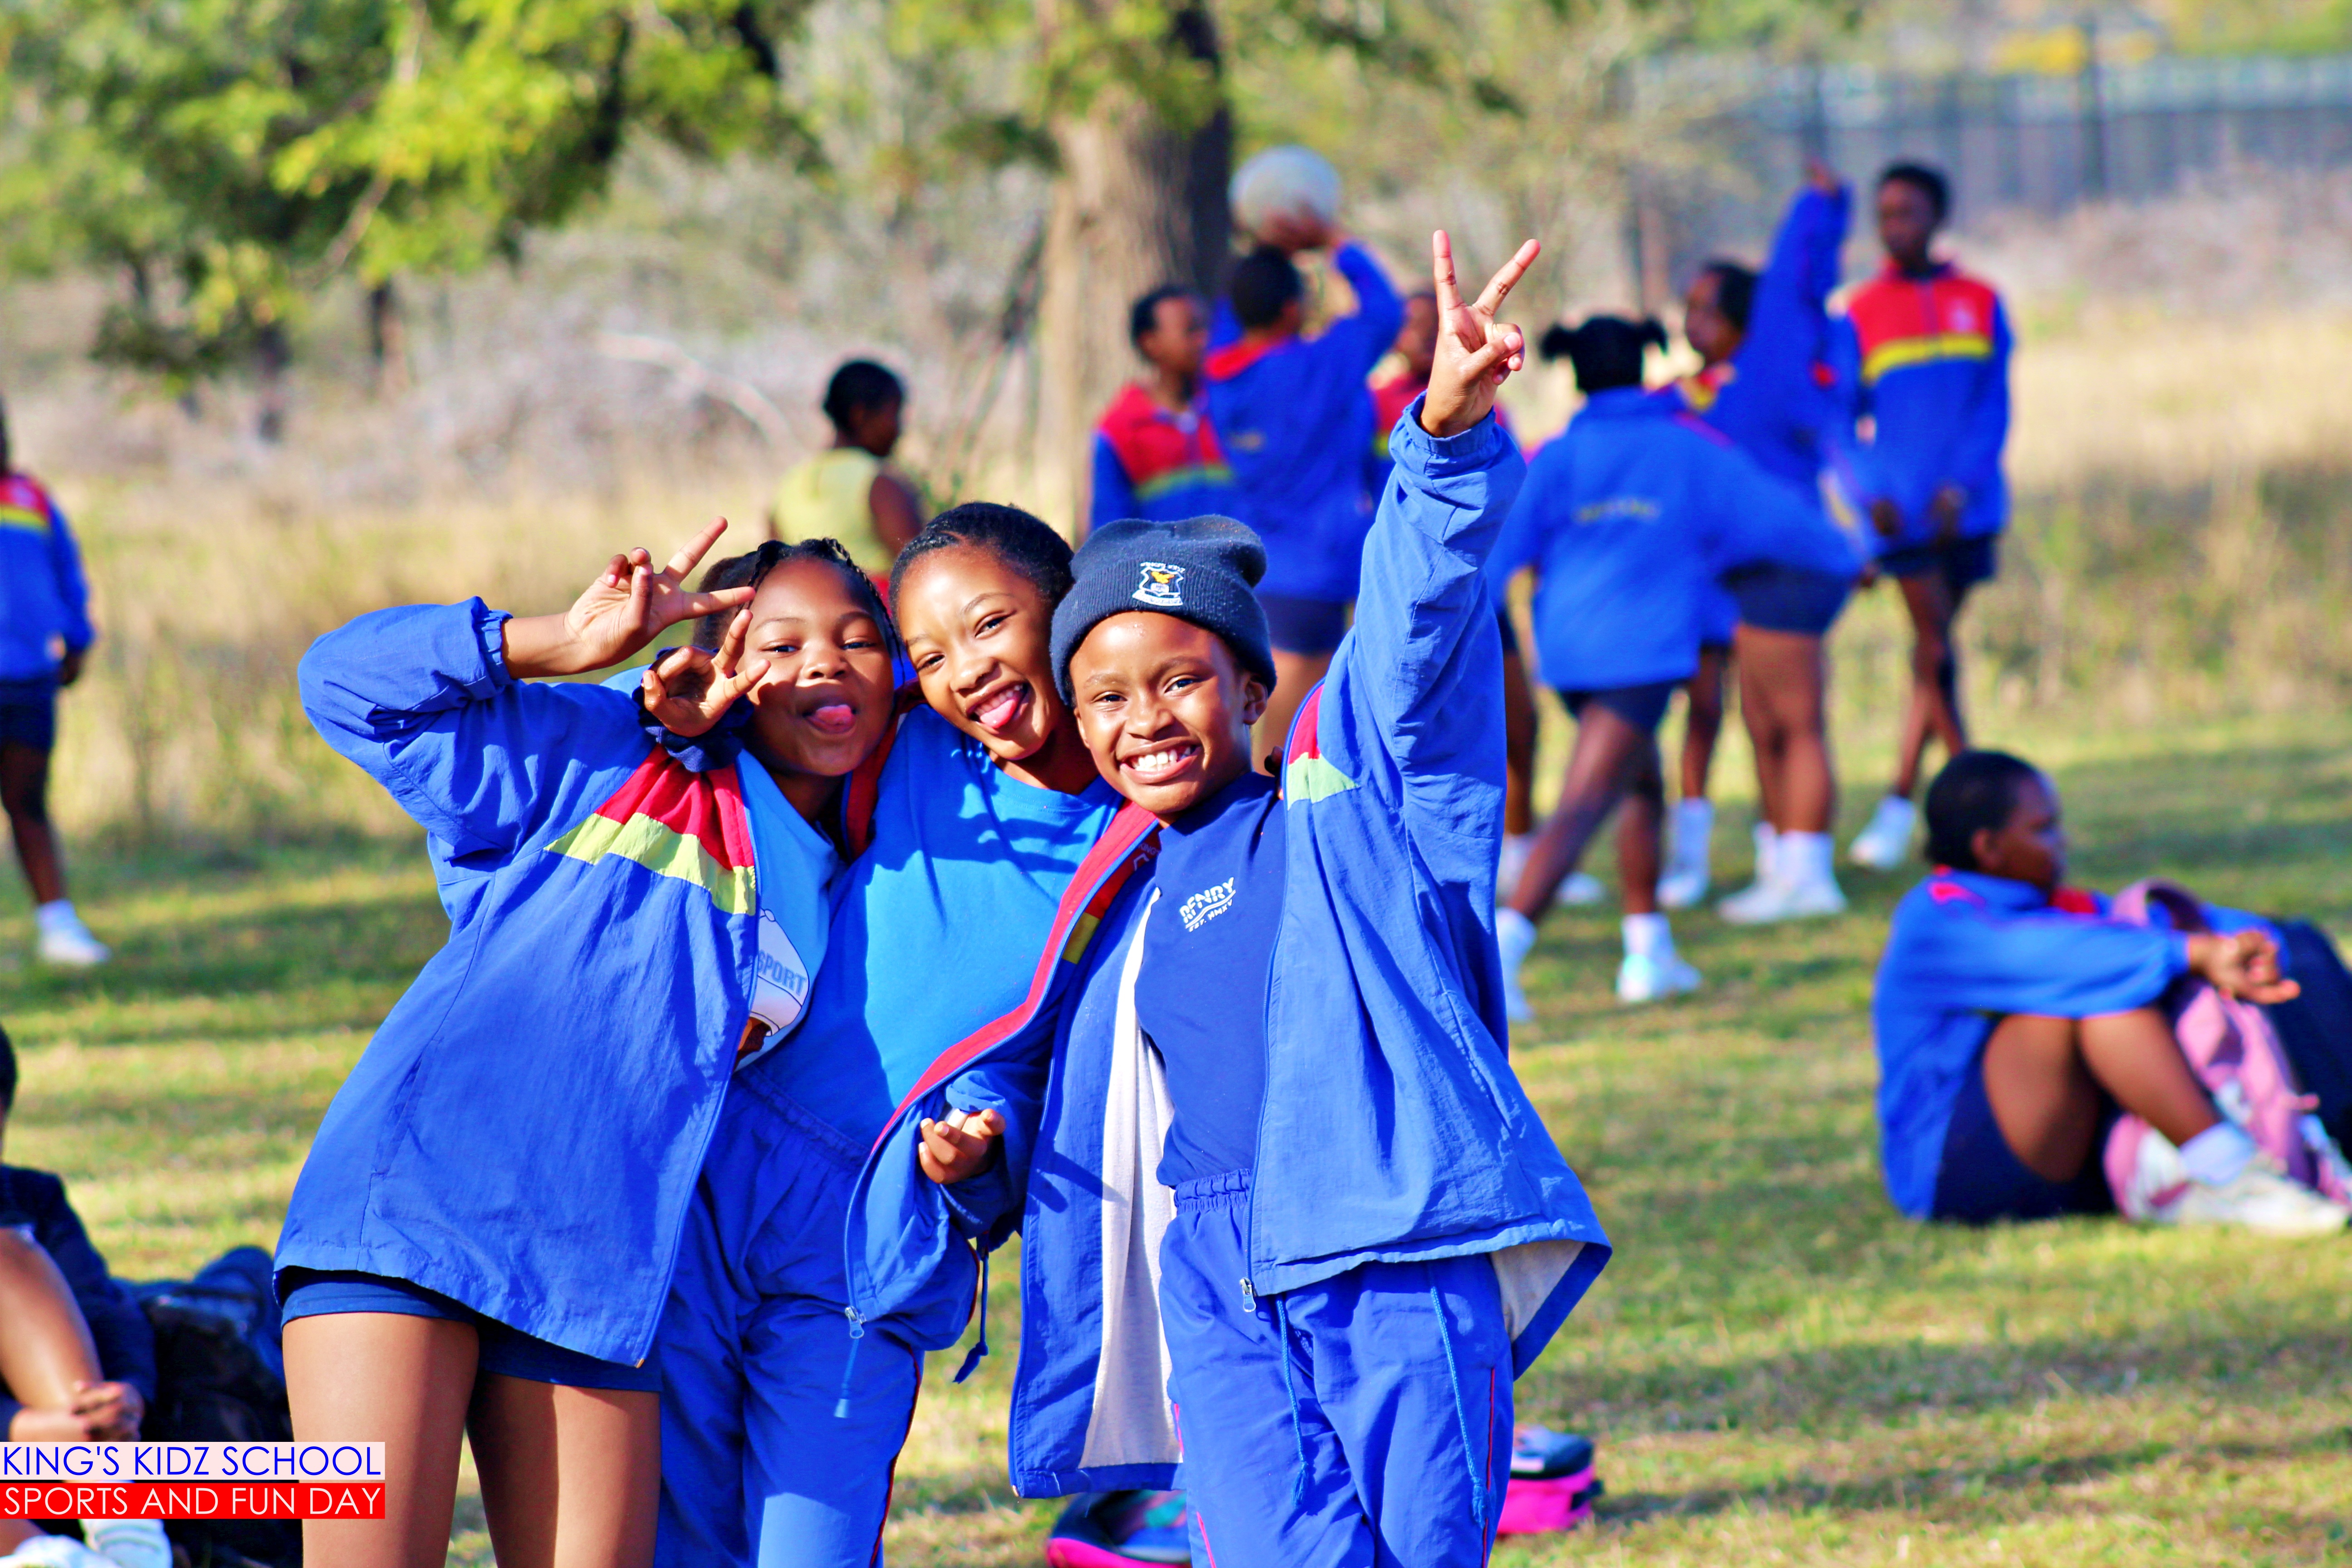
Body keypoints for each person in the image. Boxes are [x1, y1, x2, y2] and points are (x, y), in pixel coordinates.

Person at [995, 230, 1608, 1567]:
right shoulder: (1118, 897)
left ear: (1255, 689)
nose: (1144, 718)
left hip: (1386, 1239)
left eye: (1181, 678)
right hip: (1212, 1273)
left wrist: (1438, 438)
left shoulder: (1344, 808)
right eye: (1105, 694)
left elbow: (1406, 623)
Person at [279, 522, 897, 1568]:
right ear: (715, 657)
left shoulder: (868, 870)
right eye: (779, 642)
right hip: (409, 1219)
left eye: (855, 638)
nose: (823, 662)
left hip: (597, 1271)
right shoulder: (605, 751)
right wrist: (558, 642)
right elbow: (339, 685)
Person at [648, 503, 1143, 1568]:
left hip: (874, 1226)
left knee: (809, 1542)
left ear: (1066, 605)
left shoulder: (1140, 833)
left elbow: (1062, 1063)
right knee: (681, 1530)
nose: (962, 669)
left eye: (988, 623)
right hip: (711, 1171)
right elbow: (783, 711)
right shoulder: (911, 747)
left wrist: (988, 1146)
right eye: (928, 651)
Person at [1490, 318, 1854, 1020]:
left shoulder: (1555, 455)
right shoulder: (1690, 448)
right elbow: (1777, 517)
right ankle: (1502, 958)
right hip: (1642, 651)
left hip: (1566, 655)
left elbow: (1501, 549)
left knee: (1639, 788)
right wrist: (1847, 557)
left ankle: (1646, 952)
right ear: (1646, 366)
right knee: (1588, 799)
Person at [1872, 750, 2351, 1233]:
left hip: (2065, 1154)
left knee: (2122, 969)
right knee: (2097, 994)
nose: (2063, 842)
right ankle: (2232, 1175)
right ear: (1989, 848)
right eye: (2045, 829)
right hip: (1955, 1173)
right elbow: (2052, 958)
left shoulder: (2056, 906)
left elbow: (2161, 929)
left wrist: (2247, 947)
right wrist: (2193, 954)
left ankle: (2190, 1173)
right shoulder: (1934, 921)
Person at [1659, 164, 1858, 922]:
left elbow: (1786, 283)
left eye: (1704, 308)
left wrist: (1817, 207)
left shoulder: (1768, 368)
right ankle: (1781, 864)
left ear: (1743, 319)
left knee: (1795, 718)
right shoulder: (1708, 391)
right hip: (1752, 572)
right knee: (1762, 721)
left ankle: (1808, 874)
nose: (1690, 321)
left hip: (1792, 566)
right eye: (1686, 308)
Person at [1831, 162, 2013, 872]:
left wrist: (1961, 490)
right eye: (1885, 214)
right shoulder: (1860, 310)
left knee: (1929, 659)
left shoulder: (1982, 301)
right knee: (1936, 647)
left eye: (1908, 211)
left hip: (1968, 514)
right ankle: (1982, 806)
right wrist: (1865, 491)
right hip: (1898, 519)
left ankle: (1898, 805)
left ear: (1938, 215)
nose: (1895, 224)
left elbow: (1991, 408)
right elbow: (1839, 423)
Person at [1370, 292, 1553, 899]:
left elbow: (1504, 483)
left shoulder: (1486, 402)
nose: (1424, 336)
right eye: (1412, 326)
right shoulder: (1372, 409)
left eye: (1435, 326)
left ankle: (1523, 853)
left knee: (1517, 725)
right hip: (1407, 604)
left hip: (1480, 594)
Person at [1203, 216, 1403, 767]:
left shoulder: (1220, 374)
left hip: (1260, 563)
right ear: (1292, 310)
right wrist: (1338, 245)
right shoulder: (1320, 364)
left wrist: (1264, 252)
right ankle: (1278, 831)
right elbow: (1385, 314)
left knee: (1283, 713)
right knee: (1297, 728)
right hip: (1320, 567)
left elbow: (1235, 313)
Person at [0, 1026, 171, 1568]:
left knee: (9, 1257)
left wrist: (124, 1399)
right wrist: (17, 1428)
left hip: (63, 1457)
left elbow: (103, 1306)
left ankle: (124, 1528)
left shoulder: (30, 1200)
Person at [0, 400, 106, 968]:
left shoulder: (30, 499)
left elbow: (66, 568)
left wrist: (78, 635)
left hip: (28, 678)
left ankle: (58, 927)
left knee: (28, 803)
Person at [1091, 287, 1241, 531]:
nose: (1203, 339)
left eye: (1206, 328)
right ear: (1150, 343)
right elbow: (1109, 532)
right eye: (1190, 330)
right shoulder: (1120, 432)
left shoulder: (1232, 410)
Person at [770, 360, 926, 579]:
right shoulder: (880, 484)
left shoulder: (789, 484)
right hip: (877, 611)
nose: (900, 429)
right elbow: (923, 570)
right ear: (859, 414)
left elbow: (774, 569)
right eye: (894, 414)